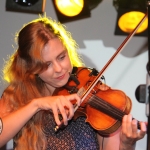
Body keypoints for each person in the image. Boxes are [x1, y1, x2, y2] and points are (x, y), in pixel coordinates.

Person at [0, 16, 146, 150]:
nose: (58, 69)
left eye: (62, 57)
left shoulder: (94, 92)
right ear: (31, 67)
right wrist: (36, 105)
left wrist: (127, 144)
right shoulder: (15, 96)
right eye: (47, 65)